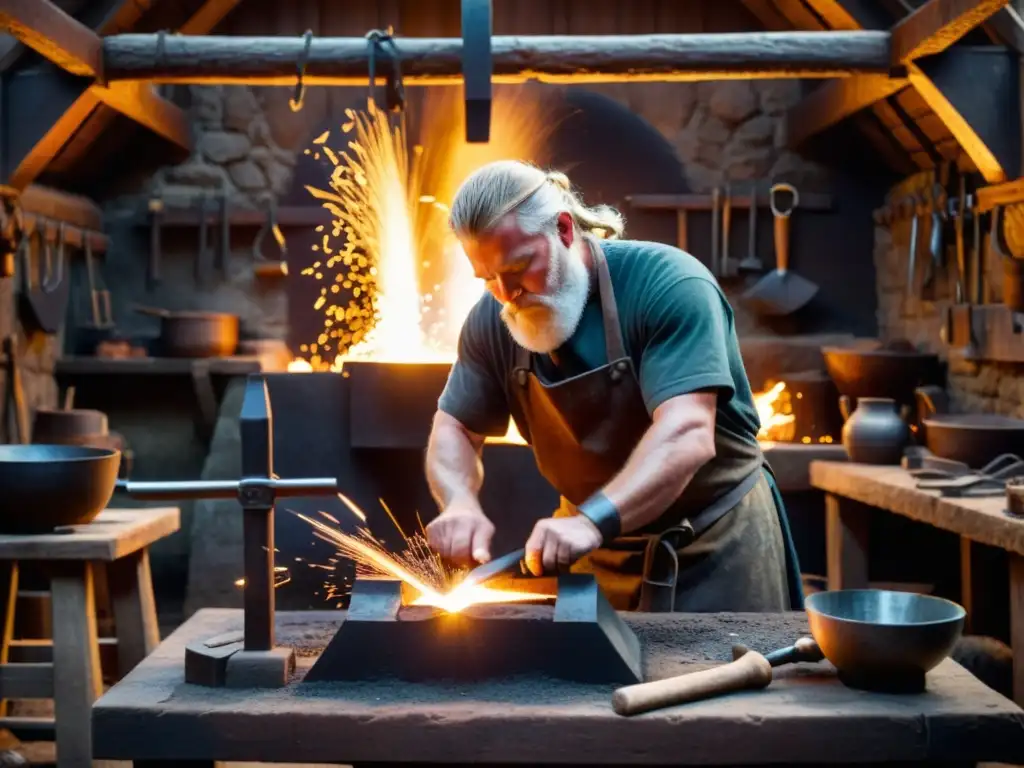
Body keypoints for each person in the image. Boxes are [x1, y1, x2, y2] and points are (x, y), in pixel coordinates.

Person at [423, 159, 803, 612]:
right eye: (488, 279)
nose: (507, 295)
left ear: (564, 229)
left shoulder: (669, 284)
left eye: (520, 267)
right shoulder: (493, 320)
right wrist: (459, 502)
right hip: (596, 552)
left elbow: (687, 433)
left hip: (715, 543)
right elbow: (454, 429)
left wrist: (590, 521)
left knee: (720, 678)